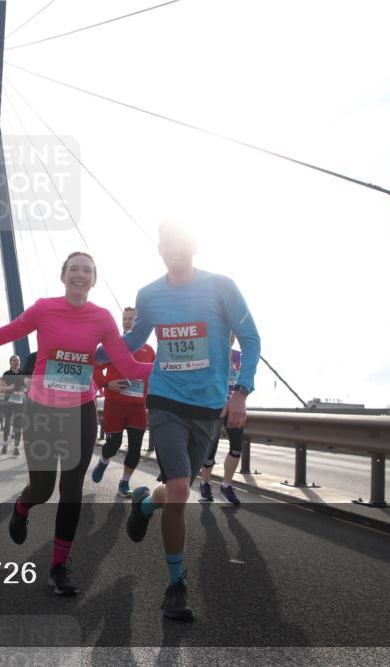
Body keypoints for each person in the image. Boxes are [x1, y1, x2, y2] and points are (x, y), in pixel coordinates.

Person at [0, 251, 153, 595]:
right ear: (63, 276)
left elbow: (130, 366)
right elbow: (4, 333)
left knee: (72, 490)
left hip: (81, 411)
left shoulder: (102, 318)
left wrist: (174, 370)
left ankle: (59, 566)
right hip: (43, 410)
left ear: (94, 278)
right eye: (74, 269)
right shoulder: (44, 308)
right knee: (43, 489)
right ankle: (22, 506)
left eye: (86, 270)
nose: (80, 274)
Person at [98, 220, 260, 621]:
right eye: (167, 243)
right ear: (159, 249)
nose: (174, 249)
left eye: (181, 242)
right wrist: (90, 349)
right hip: (165, 401)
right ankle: (175, 585)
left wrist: (241, 392)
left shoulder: (221, 287)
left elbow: (252, 338)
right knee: (181, 489)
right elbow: (134, 343)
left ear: (194, 245)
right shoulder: (150, 294)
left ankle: (145, 505)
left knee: (175, 490)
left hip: (207, 409)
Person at [91, 307, 155, 498]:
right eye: (125, 319)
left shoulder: (149, 350)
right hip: (115, 404)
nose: (128, 322)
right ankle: (104, 460)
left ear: (140, 323)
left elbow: (154, 376)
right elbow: (94, 366)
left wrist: (152, 400)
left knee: (135, 446)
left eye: (132, 319)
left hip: (137, 407)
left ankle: (124, 484)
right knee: (114, 443)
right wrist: (106, 383)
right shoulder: (112, 346)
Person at [199, 335, 244, 506]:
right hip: (214, 406)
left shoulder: (239, 356)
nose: (230, 338)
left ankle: (226, 485)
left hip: (233, 408)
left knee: (237, 447)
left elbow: (245, 380)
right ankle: (205, 483)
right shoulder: (209, 355)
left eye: (232, 335)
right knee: (211, 448)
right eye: (227, 334)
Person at [0, 354, 27, 455]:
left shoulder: (23, 373)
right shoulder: (6, 374)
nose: (16, 362)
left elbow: (28, 385)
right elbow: (0, 388)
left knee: (18, 423)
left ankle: (16, 447)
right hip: (8, 401)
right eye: (13, 360)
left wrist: (25, 389)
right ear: (10, 362)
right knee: (7, 422)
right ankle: (5, 445)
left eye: (17, 360)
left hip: (20, 401)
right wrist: (8, 388)